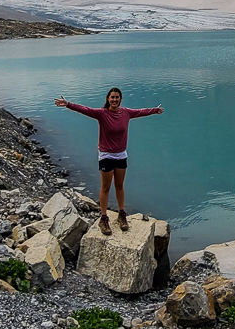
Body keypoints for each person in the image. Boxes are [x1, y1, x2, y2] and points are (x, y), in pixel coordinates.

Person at [55, 88, 163, 235]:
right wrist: (68, 104)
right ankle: (104, 218)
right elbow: (85, 110)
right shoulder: (102, 114)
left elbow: (140, 112)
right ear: (108, 99)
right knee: (105, 187)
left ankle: (121, 214)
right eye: (112, 97)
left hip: (121, 155)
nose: (114, 100)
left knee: (119, 185)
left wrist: (154, 111)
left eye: (117, 97)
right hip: (106, 155)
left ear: (120, 99)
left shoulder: (126, 113)